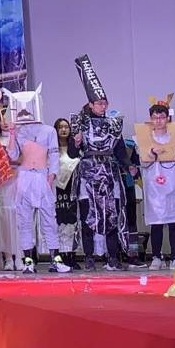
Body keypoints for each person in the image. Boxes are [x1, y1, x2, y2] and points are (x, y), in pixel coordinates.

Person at [68, 55, 129, 272]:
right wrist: (76, 142)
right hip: (88, 174)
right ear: (91, 104)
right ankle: (89, 257)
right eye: (99, 103)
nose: (102, 106)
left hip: (109, 174)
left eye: (105, 103)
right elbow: (72, 153)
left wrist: (128, 166)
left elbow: (120, 150)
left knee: (111, 214)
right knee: (87, 215)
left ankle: (113, 257)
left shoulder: (114, 125)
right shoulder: (81, 124)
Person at [2, 89, 71, 274]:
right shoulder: (19, 131)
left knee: (49, 220)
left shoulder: (49, 131)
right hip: (25, 178)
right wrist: (12, 135)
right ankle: (28, 261)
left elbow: (54, 154)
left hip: (42, 177)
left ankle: (56, 259)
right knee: (24, 221)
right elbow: (13, 155)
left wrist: (51, 176)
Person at [136, 100, 175, 270]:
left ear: (167, 118)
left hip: (173, 181)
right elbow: (142, 163)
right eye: (155, 117)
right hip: (154, 183)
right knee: (156, 222)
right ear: (151, 119)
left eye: (162, 117)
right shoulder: (144, 139)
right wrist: (151, 153)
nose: (158, 121)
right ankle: (156, 257)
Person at [0, 110, 21, 271]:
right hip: (2, 182)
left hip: (18, 180)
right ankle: (8, 258)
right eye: (1, 119)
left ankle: (21, 256)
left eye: (7, 119)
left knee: (18, 219)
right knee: (3, 220)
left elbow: (24, 158)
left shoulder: (20, 138)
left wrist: (13, 162)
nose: (4, 122)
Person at [54, 118, 80, 269]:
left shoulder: (75, 147)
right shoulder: (52, 148)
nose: (63, 130)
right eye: (60, 127)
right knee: (58, 222)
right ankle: (60, 255)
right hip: (56, 188)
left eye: (66, 127)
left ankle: (72, 255)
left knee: (73, 222)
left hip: (72, 188)